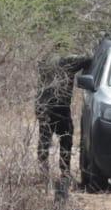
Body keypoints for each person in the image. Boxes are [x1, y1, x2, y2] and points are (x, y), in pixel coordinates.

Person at [35, 51, 91, 187]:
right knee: (66, 138)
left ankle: (44, 173)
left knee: (44, 139)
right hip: (59, 106)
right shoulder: (67, 62)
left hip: (42, 105)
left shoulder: (45, 61)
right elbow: (88, 58)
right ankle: (65, 173)